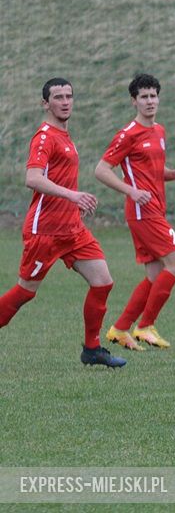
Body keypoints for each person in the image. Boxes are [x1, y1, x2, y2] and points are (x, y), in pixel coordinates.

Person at [0, 78, 126, 368]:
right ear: (46, 103)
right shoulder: (44, 137)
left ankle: (92, 349)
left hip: (72, 230)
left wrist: (74, 204)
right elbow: (32, 178)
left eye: (69, 95)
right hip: (44, 232)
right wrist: (73, 195)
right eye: (58, 97)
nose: (65, 101)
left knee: (103, 282)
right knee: (24, 294)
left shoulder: (64, 135)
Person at [95, 73, 175, 351]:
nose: (150, 101)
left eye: (153, 96)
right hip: (142, 213)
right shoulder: (128, 135)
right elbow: (101, 170)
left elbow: (152, 172)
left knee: (154, 275)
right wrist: (130, 191)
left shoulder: (158, 131)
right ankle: (146, 326)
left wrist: (174, 174)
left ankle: (120, 329)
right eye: (144, 97)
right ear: (134, 101)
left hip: (155, 210)